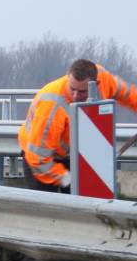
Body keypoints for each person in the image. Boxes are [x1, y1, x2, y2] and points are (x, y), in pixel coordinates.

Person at [18, 59, 137, 192]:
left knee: (80, 203)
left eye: (82, 92)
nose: (75, 95)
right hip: (40, 160)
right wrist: (67, 179)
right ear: (68, 78)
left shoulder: (104, 79)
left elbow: (128, 94)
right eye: (72, 89)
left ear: (96, 84)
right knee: (46, 208)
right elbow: (38, 158)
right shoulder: (51, 105)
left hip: (73, 154)